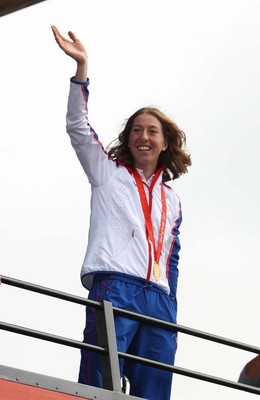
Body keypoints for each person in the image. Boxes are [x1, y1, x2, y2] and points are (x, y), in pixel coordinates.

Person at [51, 25, 191, 400]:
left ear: (165, 142)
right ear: (129, 138)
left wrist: (171, 301)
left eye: (152, 131)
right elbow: (77, 127)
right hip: (116, 286)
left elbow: (172, 258)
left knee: (155, 389)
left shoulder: (173, 199)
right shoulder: (107, 173)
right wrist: (82, 68)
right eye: (136, 130)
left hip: (159, 299)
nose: (143, 136)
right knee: (99, 380)